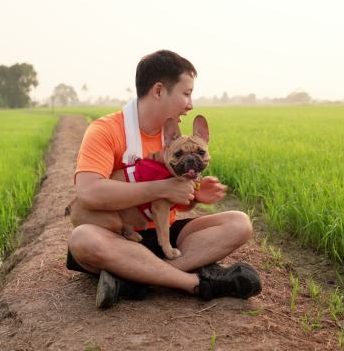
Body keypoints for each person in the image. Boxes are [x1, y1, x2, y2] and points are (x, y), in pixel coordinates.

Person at [66, 49, 262, 308]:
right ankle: (193, 283)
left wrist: (193, 198)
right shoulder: (106, 130)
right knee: (83, 239)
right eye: (186, 93)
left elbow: (171, 202)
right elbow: (89, 192)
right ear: (159, 91)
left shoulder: (178, 138)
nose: (191, 104)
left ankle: (135, 279)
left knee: (239, 223)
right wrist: (162, 187)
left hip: (166, 236)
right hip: (118, 239)